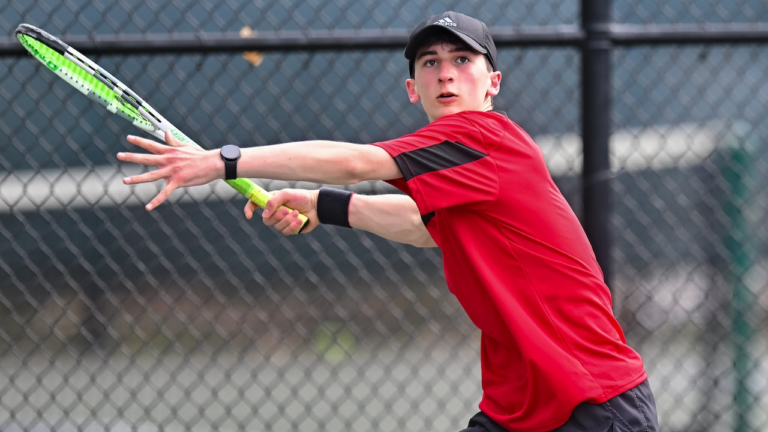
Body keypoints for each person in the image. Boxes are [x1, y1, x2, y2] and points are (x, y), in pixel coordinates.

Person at [117, 11, 659, 432]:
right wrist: (325, 206)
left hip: (593, 403)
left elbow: (356, 163)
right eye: (429, 63)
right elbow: (428, 226)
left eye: (462, 60)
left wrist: (222, 161)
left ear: (492, 83)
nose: (445, 72)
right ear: (412, 88)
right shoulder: (458, 167)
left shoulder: (482, 137)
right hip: (520, 407)